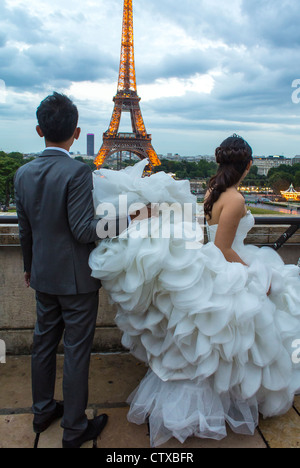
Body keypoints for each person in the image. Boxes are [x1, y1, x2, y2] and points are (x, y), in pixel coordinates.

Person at [89, 135, 300, 447]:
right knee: (234, 343)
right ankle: (219, 405)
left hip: (212, 261)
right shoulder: (237, 199)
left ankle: (196, 407)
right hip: (227, 264)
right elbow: (224, 248)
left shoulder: (214, 190)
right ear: (249, 165)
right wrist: (257, 275)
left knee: (206, 351)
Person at [14, 92, 140, 449]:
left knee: (42, 345)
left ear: (39, 130)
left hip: (42, 274)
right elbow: (85, 230)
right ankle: (73, 427)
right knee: (76, 351)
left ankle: (41, 412)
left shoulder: (22, 173)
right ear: (77, 131)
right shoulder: (77, 171)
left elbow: (25, 231)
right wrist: (127, 219)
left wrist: (28, 267)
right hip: (76, 281)